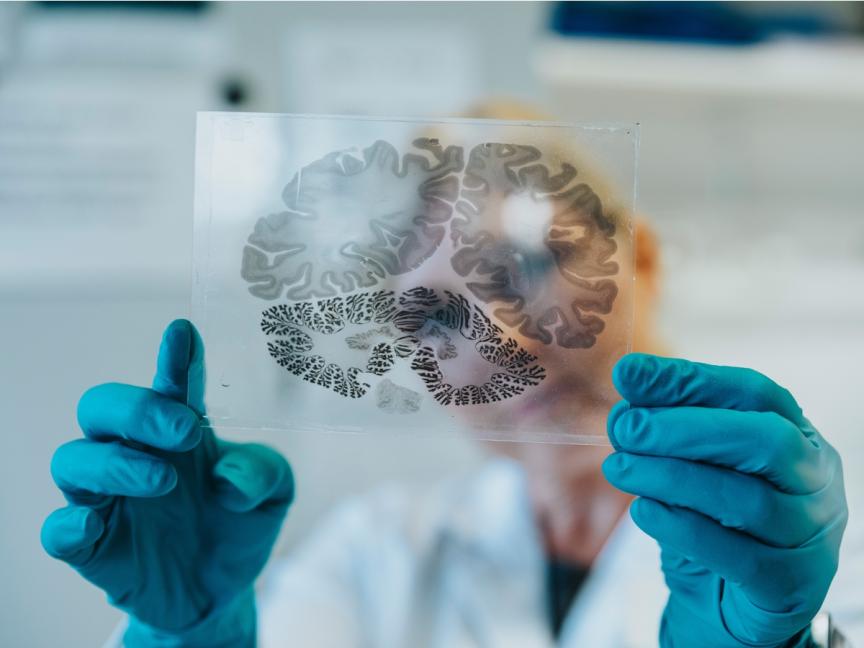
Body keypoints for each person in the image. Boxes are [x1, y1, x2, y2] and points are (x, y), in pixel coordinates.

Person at [42, 108, 854, 647]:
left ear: (639, 258)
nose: (499, 341)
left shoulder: (810, 540)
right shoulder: (377, 552)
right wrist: (196, 632)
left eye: (529, 264)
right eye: (432, 317)